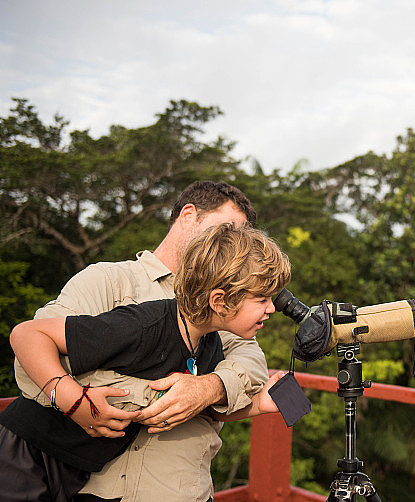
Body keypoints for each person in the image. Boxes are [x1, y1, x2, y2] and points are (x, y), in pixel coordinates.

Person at [12, 181, 269, 502]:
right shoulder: (107, 279)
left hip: (180, 490)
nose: (233, 245)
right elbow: (30, 356)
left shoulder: (229, 305)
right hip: (90, 485)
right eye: (228, 230)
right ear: (188, 215)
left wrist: (209, 388)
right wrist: (73, 400)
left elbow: (252, 364)